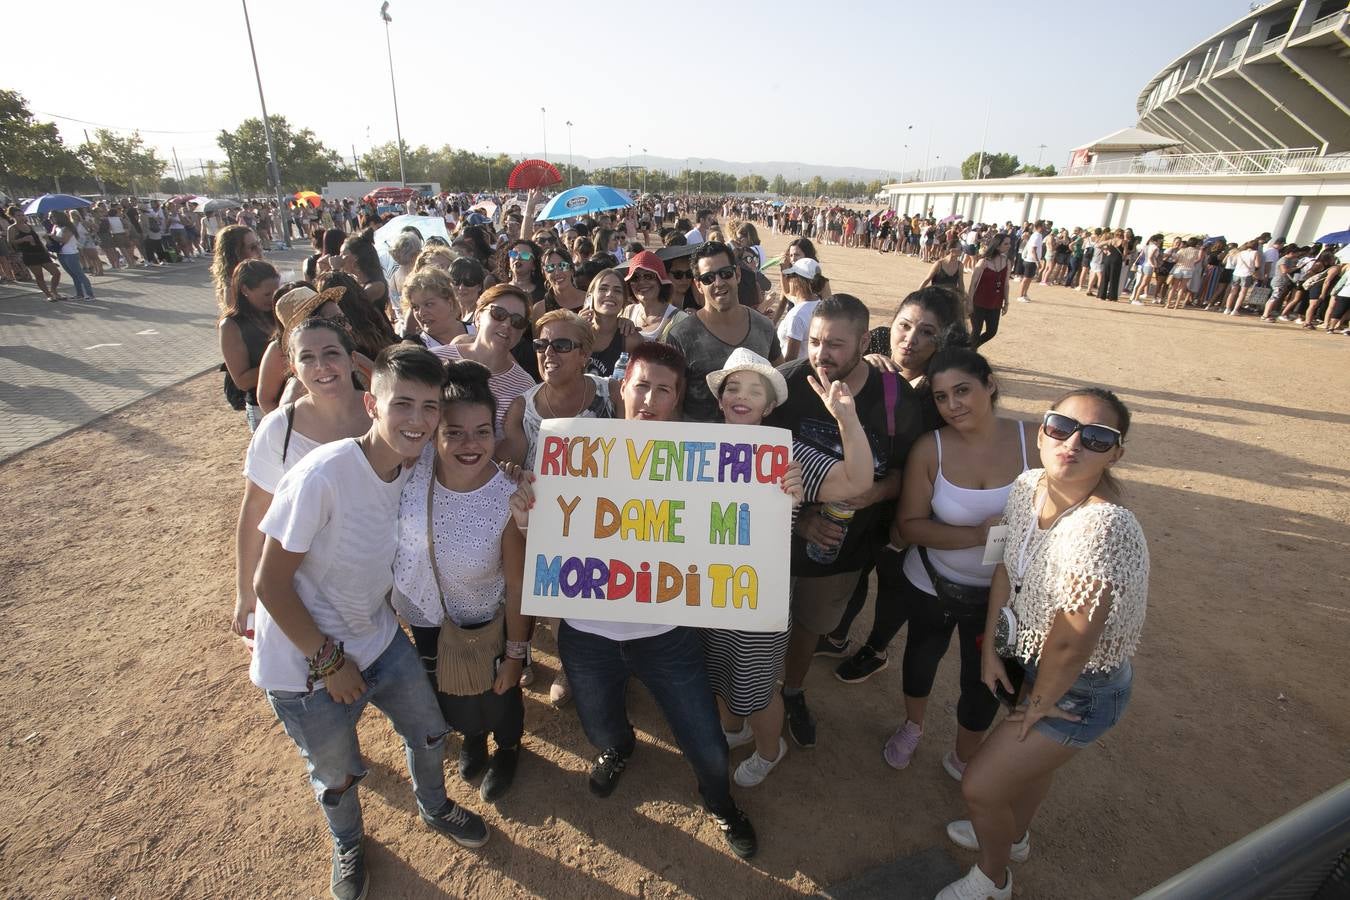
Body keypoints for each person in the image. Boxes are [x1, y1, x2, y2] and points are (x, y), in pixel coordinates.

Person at [252, 344, 490, 900]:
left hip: (378, 639)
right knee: (336, 776)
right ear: (371, 404)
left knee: (430, 732)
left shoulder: (408, 468)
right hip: (304, 666)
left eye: (429, 407)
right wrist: (329, 662)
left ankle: (433, 806)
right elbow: (270, 583)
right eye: (402, 404)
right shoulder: (322, 476)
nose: (417, 420)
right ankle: (350, 842)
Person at [510, 341, 759, 859]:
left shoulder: (703, 462)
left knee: (709, 748)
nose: (648, 399)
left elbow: (742, 521)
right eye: (640, 385)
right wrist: (527, 512)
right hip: (586, 636)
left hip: (668, 636)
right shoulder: (575, 449)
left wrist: (776, 489)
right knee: (601, 726)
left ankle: (720, 802)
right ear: (621, 387)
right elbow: (549, 531)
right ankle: (619, 751)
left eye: (662, 390)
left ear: (677, 399)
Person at [938, 388, 1147, 900]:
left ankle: (994, 876)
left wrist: (1037, 705)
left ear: (1116, 454)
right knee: (1030, 771)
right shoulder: (1027, 485)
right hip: (1037, 665)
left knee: (981, 787)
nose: (1073, 443)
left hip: (1076, 688)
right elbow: (1006, 565)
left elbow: (1073, 644)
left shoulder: (1103, 526)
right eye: (1061, 426)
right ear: (1042, 430)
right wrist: (991, 647)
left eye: (1097, 437)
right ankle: (1016, 836)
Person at [858, 339, 1033, 784]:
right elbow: (910, 527)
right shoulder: (930, 448)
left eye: (963, 390)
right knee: (921, 656)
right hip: (932, 583)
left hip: (1006, 595)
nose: (952, 404)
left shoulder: (1033, 442)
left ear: (990, 386)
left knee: (984, 681)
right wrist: (977, 535)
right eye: (941, 396)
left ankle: (963, 754)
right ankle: (912, 726)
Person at [702, 348, 874, 787]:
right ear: (720, 400)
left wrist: (846, 421)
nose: (742, 397)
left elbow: (856, 481)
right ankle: (733, 731)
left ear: (770, 405)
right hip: (702, 590)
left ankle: (768, 749)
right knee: (718, 671)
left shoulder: (787, 455)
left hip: (759, 596)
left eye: (754, 391)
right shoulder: (693, 447)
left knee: (757, 688)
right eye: (733, 388)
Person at [766, 295, 925, 748]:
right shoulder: (788, 384)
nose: (821, 354)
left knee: (809, 625)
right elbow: (755, 460)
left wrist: (869, 494)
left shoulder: (894, 398)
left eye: (835, 344)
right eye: (814, 341)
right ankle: (753, 697)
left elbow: (907, 475)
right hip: (779, 538)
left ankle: (792, 691)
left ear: (863, 341)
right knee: (764, 620)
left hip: (842, 547)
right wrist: (801, 521)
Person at [392, 360, 531, 803]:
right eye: (454, 432)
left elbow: (516, 587)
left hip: (488, 622)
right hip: (429, 617)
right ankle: (473, 739)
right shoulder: (410, 473)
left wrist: (515, 654)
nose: (471, 445)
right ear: (434, 434)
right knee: (450, 693)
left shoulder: (505, 497)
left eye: (483, 431)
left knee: (500, 696)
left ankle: (507, 748)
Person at [499, 308, 617, 706]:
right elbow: (513, 457)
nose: (548, 353)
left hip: (609, 517)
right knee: (557, 598)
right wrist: (511, 467)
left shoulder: (612, 393)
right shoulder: (522, 407)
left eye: (561, 345)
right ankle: (570, 664)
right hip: (550, 522)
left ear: (584, 353)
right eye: (541, 344)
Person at [234, 317, 372, 635]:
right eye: (307, 357)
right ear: (294, 370)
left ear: (352, 359)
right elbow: (255, 508)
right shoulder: (278, 430)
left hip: (375, 585)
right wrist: (245, 590)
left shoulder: (382, 416)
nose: (321, 365)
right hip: (307, 589)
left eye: (331, 353)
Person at [665, 241, 782, 422]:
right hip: (699, 446)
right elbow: (673, 406)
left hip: (752, 446)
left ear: (738, 274)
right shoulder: (680, 336)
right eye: (708, 278)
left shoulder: (764, 328)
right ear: (698, 285)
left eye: (725, 274)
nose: (718, 283)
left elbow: (778, 386)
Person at [431, 284, 536, 440]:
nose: (507, 324)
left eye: (517, 321)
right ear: (478, 316)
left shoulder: (526, 386)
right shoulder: (435, 360)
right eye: (498, 314)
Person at [256, 284, 351, 414]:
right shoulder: (295, 396)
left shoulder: (352, 356)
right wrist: (278, 425)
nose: (349, 326)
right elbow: (265, 399)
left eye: (344, 318)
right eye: (339, 321)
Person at [220, 260, 282, 431]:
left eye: (277, 291)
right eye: (267, 294)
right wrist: (281, 361)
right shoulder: (231, 326)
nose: (273, 299)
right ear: (245, 290)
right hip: (261, 409)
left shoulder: (276, 312)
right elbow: (242, 381)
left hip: (290, 400)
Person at [584, 267, 643, 377]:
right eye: (603, 289)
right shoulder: (574, 332)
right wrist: (575, 330)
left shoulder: (631, 340)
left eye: (617, 290)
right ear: (590, 296)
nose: (610, 294)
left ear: (624, 300)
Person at [622, 250, 687, 340]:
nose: (641, 282)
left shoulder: (681, 319)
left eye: (648, 276)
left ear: (661, 281)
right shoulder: (627, 313)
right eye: (635, 277)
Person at [5, 206, 64, 301]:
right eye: (18, 215)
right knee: (39, 276)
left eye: (22, 215)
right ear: (13, 217)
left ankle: (54, 291)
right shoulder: (12, 228)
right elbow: (10, 242)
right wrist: (23, 239)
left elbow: (38, 241)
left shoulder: (29, 226)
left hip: (40, 252)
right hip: (29, 254)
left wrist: (48, 253)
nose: (21, 217)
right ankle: (48, 295)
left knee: (56, 273)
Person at [405, 266, 468, 349]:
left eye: (429, 304)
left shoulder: (479, 330)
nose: (421, 313)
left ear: (450, 303)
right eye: (415, 307)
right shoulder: (413, 349)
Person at [775, 258, 826, 361]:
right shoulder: (820, 304)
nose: (788, 280)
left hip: (793, 373)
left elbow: (790, 360)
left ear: (798, 281)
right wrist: (782, 272)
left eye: (789, 276)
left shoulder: (797, 315)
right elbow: (787, 294)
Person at [968, 235, 1012, 347]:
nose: (1009, 246)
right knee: (976, 332)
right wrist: (969, 302)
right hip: (979, 302)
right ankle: (970, 355)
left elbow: (1006, 284)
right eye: (1006, 243)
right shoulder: (983, 262)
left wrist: (1006, 302)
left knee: (991, 332)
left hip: (995, 303)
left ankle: (968, 348)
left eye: (1009, 243)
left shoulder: (1007, 262)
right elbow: (973, 284)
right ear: (997, 246)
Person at [340, 229, 390, 321]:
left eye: (342, 254)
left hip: (377, 333)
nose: (339, 258)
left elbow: (350, 309)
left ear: (356, 258)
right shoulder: (356, 281)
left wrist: (335, 270)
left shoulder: (375, 286)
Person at [211, 225, 264, 311]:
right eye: (252, 247)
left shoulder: (260, 273)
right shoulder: (232, 289)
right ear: (236, 254)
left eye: (259, 244)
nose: (260, 249)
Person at [50, 211, 95, 301]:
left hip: (70, 253)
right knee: (73, 275)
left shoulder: (68, 228)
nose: (50, 219)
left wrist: (51, 236)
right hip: (61, 254)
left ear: (58, 217)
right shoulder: (56, 227)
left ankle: (90, 294)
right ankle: (79, 294)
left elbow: (64, 240)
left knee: (79, 274)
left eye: (52, 217)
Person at [1015, 223, 1045, 303]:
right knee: (1026, 279)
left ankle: (1025, 294)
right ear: (1039, 227)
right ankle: (1021, 295)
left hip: (1031, 260)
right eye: (1043, 226)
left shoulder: (1038, 235)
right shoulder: (1037, 236)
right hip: (1030, 260)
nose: (1045, 228)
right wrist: (1037, 261)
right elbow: (1033, 249)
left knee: (1029, 279)